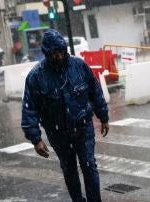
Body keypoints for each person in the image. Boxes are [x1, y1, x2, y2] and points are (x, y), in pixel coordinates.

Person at [21, 29, 109, 202]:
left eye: (61, 52)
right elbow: (29, 109)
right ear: (47, 53)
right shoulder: (36, 77)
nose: (59, 57)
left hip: (83, 127)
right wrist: (36, 139)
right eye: (54, 53)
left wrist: (103, 117)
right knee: (69, 169)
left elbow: (95, 92)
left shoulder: (79, 66)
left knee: (89, 165)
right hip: (58, 133)